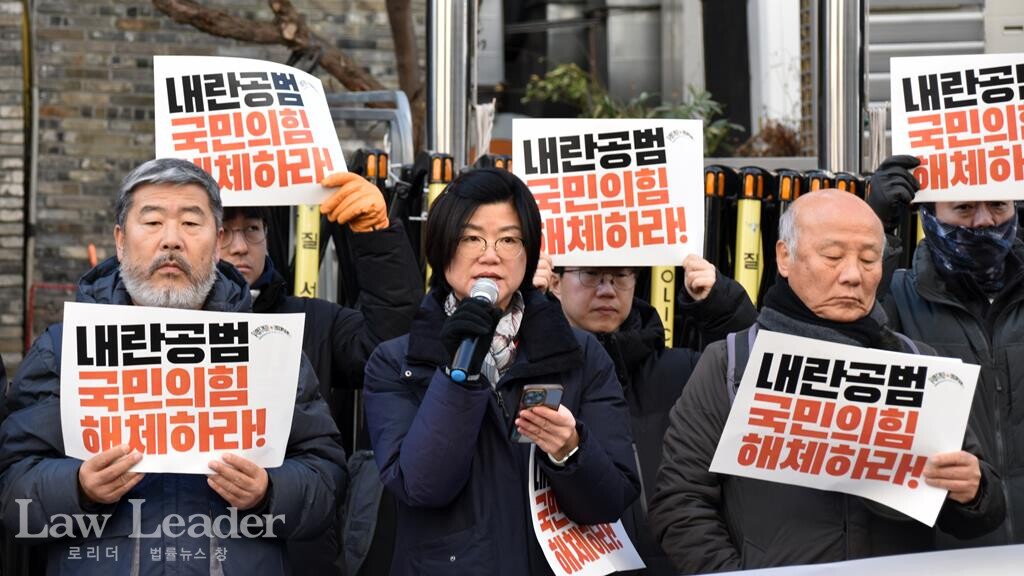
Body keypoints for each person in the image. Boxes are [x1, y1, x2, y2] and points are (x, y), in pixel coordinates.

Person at [0, 158, 347, 575]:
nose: (171, 241)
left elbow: (326, 477)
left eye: (190, 223)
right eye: (151, 222)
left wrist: (269, 490)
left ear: (217, 243)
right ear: (120, 241)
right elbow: (12, 486)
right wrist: (77, 486)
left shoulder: (266, 349)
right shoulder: (65, 350)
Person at [650, 189, 1005, 573]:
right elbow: (680, 502)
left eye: (869, 259)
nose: (853, 275)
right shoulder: (731, 363)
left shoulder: (918, 364)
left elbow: (979, 510)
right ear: (784, 257)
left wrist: (973, 491)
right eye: (833, 257)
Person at [363, 168, 641, 575]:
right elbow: (422, 486)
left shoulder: (580, 355)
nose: (489, 254)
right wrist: (459, 369)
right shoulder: (395, 363)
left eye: (508, 239)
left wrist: (571, 450)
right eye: (471, 237)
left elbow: (611, 499)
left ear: (529, 255)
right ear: (442, 250)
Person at [219, 173, 421, 575]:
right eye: (224, 231)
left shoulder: (313, 320)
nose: (240, 246)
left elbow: (395, 349)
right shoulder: (153, 326)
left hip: (299, 553)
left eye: (253, 230)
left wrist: (377, 240)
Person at [548, 256, 756, 575]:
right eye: (590, 275)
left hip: (669, 561)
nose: (607, 289)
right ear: (554, 283)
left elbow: (756, 382)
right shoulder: (534, 368)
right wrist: (528, 310)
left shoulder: (680, 369)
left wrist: (723, 307)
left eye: (621, 275)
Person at [869, 154, 1024, 546]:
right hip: (947, 546)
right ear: (929, 212)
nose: (985, 221)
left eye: (999, 205)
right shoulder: (897, 296)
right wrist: (877, 229)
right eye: (965, 208)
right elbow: (846, 337)